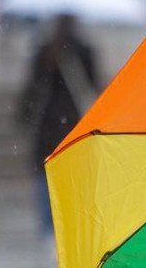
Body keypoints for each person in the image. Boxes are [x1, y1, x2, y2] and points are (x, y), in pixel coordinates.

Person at [16, 13, 99, 237]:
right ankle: (72, 228)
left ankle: (49, 232)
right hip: (74, 122)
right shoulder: (83, 50)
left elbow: (32, 89)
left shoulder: (45, 50)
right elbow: (93, 84)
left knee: (47, 179)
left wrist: (23, 117)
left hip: (49, 123)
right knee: (75, 179)